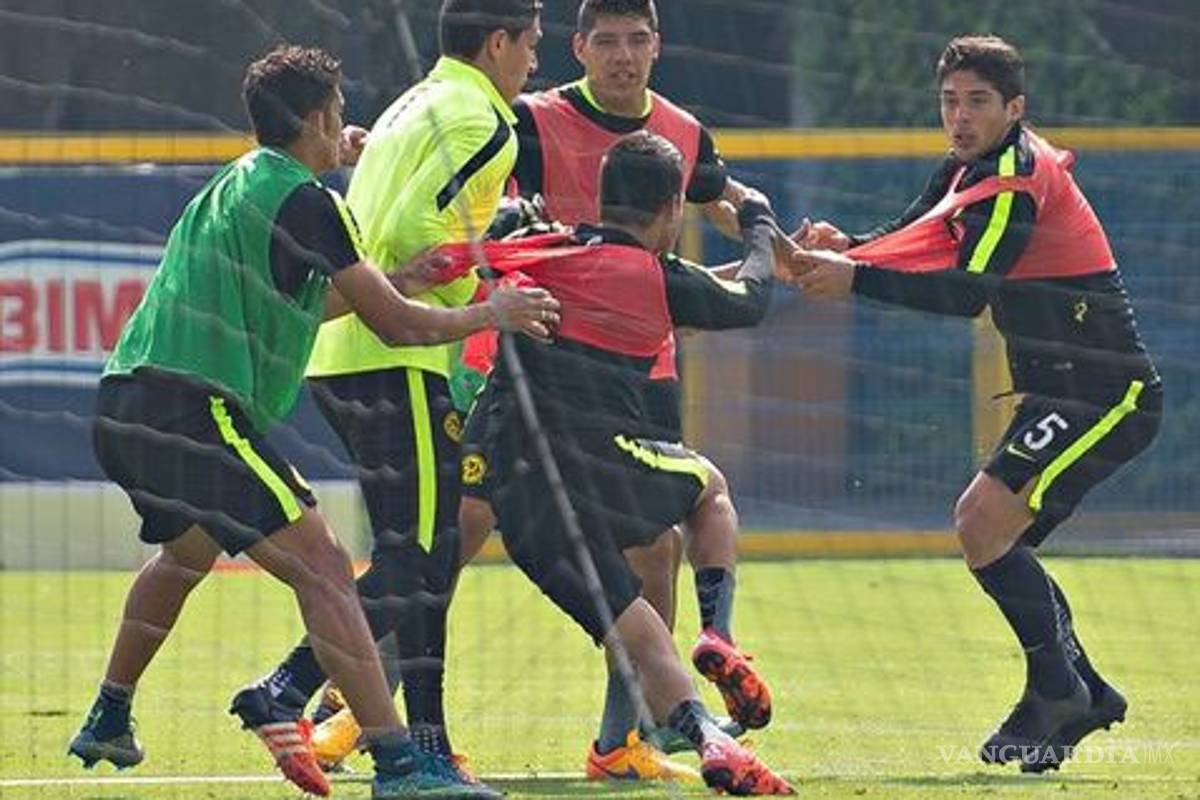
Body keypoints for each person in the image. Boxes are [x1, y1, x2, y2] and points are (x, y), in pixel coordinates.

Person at [65, 45, 558, 800]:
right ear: (319, 119)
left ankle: (109, 712)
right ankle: (400, 763)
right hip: (191, 407)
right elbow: (394, 329)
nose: (347, 128)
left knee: (186, 555)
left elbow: (316, 302)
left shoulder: (241, 181)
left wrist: (395, 276)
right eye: (337, 115)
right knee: (325, 564)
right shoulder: (307, 198)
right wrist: (492, 311)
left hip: (128, 401)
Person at [785, 35, 1161, 773]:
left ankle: (1062, 688)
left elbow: (966, 290)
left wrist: (851, 276)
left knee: (983, 524)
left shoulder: (1017, 175)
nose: (960, 116)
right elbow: (916, 237)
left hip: (1108, 394)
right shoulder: (968, 167)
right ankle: (1074, 689)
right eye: (950, 101)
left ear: (1015, 108)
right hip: (1061, 390)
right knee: (990, 533)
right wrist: (851, 248)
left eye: (978, 102)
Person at [454, 0, 775, 779]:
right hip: (592, 426)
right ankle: (718, 638)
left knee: (637, 583)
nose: (623, 55)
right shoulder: (530, 121)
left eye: (637, 39)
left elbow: (472, 246)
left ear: (656, 46)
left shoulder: (549, 250)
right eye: (608, 40)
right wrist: (766, 236)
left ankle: (636, 742)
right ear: (578, 48)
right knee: (700, 495)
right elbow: (740, 296)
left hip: (527, 445)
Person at [231, 0, 543, 790]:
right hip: (392, 354)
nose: (535, 62)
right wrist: (491, 274)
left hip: (339, 351)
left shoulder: (415, 98)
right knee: (424, 556)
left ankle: (424, 748)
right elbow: (412, 238)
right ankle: (292, 688)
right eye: (533, 44)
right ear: (499, 42)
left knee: (422, 554)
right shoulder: (483, 119)